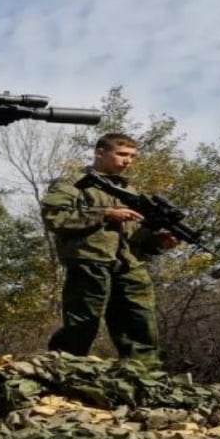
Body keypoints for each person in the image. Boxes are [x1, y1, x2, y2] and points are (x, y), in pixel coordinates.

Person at [40, 133, 176, 365]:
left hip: (129, 263)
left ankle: (144, 375)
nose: (128, 161)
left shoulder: (131, 192)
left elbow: (133, 235)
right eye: (122, 154)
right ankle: (61, 367)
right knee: (84, 322)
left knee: (139, 320)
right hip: (89, 261)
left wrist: (157, 241)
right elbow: (55, 217)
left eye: (132, 156)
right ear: (100, 152)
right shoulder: (73, 184)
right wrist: (104, 214)